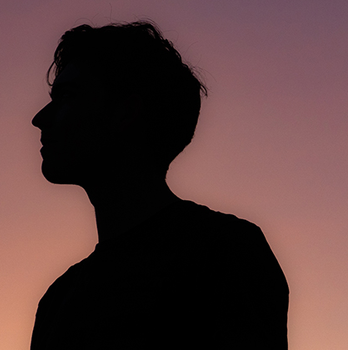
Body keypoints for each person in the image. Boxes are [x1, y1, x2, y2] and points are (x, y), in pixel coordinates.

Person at [30, 21, 288, 349]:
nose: (40, 118)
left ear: (125, 112)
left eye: (66, 98)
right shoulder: (59, 298)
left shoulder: (221, 251)